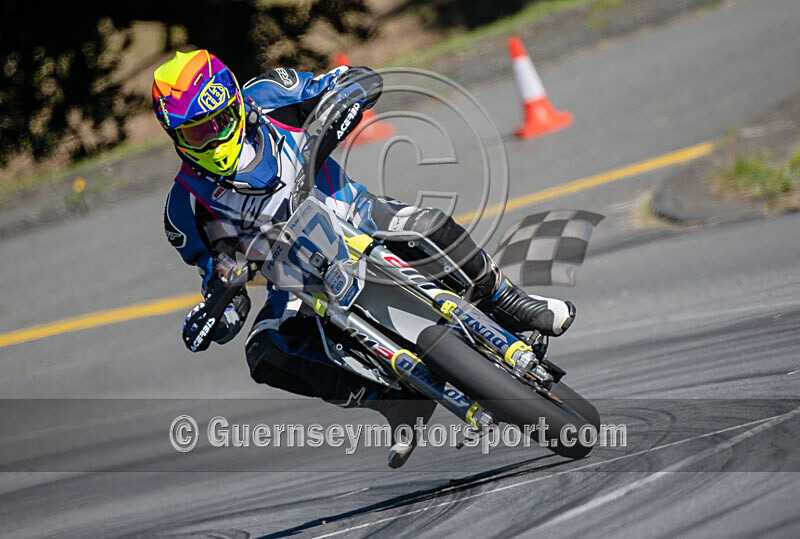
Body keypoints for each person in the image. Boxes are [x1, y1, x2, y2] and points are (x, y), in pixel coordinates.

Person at [154, 50, 576, 468]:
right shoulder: (183, 207)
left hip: (358, 214)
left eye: (218, 122)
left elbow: (359, 80)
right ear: (176, 138)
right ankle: (392, 401)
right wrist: (216, 313)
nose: (212, 139)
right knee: (262, 352)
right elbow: (222, 287)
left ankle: (509, 299)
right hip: (297, 279)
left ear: (235, 105)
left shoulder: (271, 94)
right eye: (195, 134)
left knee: (427, 223)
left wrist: (333, 117)